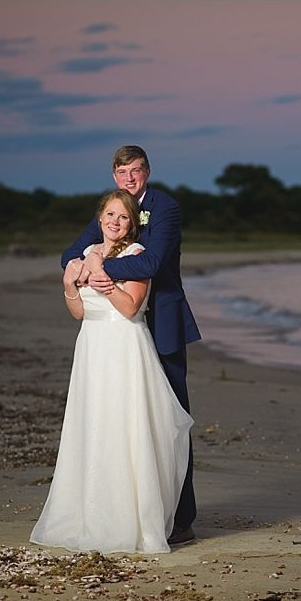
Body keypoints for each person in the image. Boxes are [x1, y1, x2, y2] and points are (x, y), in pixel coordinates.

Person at [31, 190, 193, 554]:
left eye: (123, 217)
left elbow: (132, 307)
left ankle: (128, 520)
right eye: (110, 215)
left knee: (125, 430)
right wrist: (69, 285)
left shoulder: (135, 256)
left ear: (131, 223)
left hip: (124, 347)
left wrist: (104, 282)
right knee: (93, 428)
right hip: (91, 348)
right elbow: (78, 312)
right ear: (100, 218)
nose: (115, 222)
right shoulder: (84, 257)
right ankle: (89, 514)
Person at [60, 145, 201, 546]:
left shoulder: (165, 208)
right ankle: (123, 507)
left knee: (170, 421)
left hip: (162, 322)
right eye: (122, 172)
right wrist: (81, 264)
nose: (130, 179)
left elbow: (152, 263)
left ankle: (181, 518)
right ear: (114, 175)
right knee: (122, 421)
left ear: (147, 172)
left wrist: (100, 269)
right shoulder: (111, 210)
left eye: (136, 171)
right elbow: (72, 253)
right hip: (115, 333)